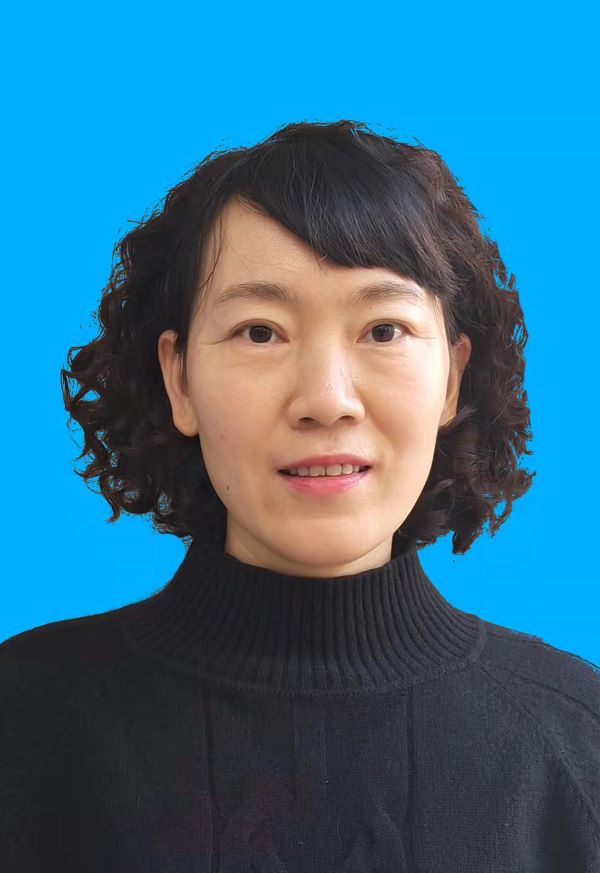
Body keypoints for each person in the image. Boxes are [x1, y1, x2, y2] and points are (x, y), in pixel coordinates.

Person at [1, 119, 599, 870]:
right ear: (179, 379)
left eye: (383, 329)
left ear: (451, 377)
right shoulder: (24, 720)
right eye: (260, 332)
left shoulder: (577, 742)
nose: (326, 400)